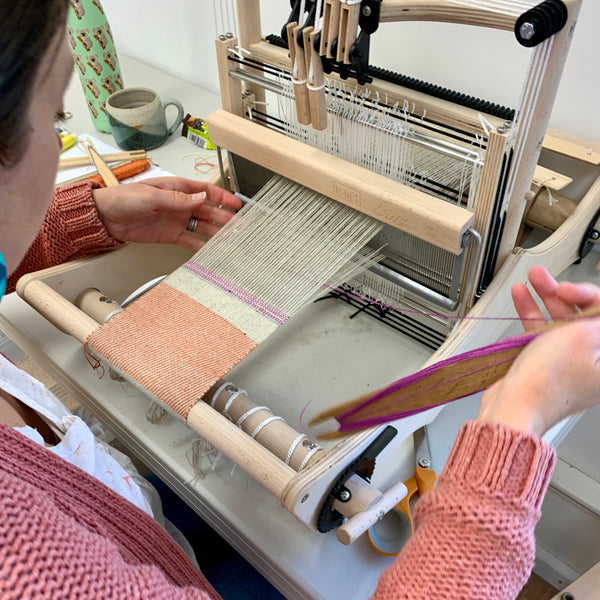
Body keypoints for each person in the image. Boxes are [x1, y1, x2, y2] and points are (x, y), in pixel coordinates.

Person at [1, 2, 599, 599]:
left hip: (125, 514)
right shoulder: (32, 564)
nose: (59, 144)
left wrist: (83, 219)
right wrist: (519, 417)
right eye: (56, 120)